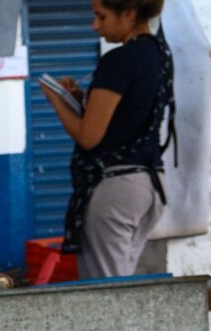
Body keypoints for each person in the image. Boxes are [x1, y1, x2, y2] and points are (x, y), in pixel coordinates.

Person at [40, 0, 172, 280]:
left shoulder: (119, 60)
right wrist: (79, 102)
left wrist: (57, 102)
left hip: (116, 188)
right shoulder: (159, 54)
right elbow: (127, 118)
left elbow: (89, 137)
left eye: (101, 16)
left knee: (106, 291)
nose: (95, 26)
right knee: (122, 281)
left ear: (129, 13)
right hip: (150, 185)